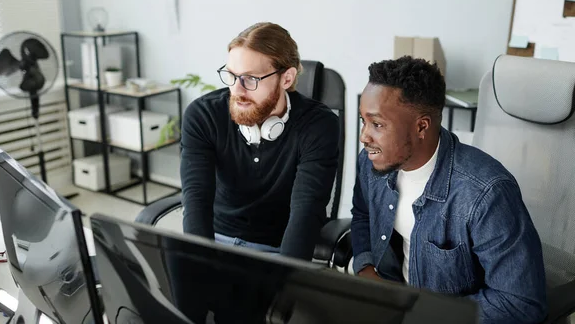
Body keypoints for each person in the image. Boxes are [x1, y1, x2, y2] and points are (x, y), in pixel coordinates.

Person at [351, 56, 547, 323]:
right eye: (363, 121)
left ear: (422, 126)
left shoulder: (485, 194)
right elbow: (362, 214)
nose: (364, 136)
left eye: (377, 124)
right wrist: (366, 270)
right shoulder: (372, 161)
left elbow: (519, 303)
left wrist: (422, 314)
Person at [180, 22, 339, 261]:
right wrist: (201, 266)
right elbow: (196, 200)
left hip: (277, 252)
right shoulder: (203, 116)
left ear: (287, 78)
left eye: (251, 79)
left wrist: (284, 280)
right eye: (231, 76)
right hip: (215, 241)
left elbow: (306, 211)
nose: (238, 90)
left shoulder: (318, 125)